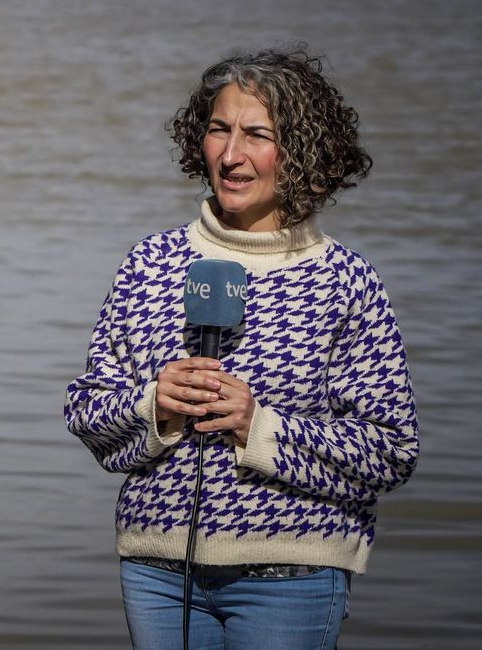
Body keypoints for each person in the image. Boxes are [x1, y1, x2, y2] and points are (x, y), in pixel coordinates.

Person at [64, 48, 419, 649]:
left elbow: (390, 451)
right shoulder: (150, 263)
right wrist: (156, 406)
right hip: (157, 572)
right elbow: (87, 414)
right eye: (218, 131)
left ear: (301, 151)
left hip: (293, 575)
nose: (231, 155)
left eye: (257, 135)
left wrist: (262, 427)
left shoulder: (345, 281)